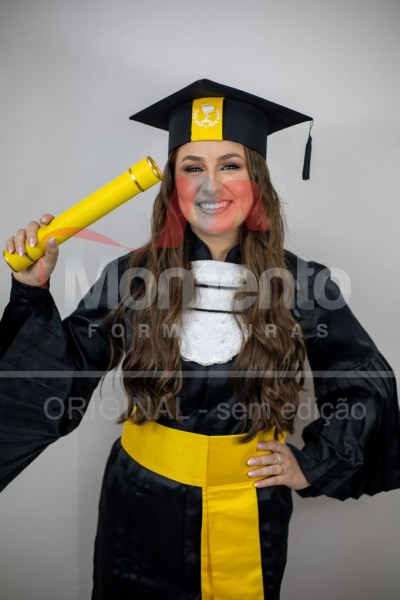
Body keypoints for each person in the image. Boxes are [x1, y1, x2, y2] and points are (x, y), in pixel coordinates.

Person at [1, 79, 399, 600]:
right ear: (173, 185)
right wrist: (31, 293)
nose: (211, 186)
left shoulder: (303, 284)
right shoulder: (132, 277)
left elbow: (363, 385)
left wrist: (313, 464)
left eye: (230, 165)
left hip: (248, 507)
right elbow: (65, 373)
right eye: (192, 168)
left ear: (257, 180)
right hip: (137, 505)